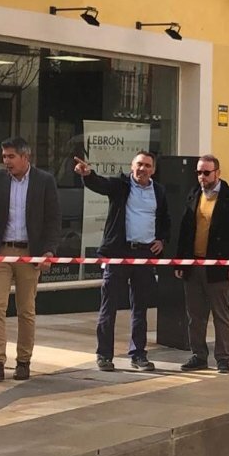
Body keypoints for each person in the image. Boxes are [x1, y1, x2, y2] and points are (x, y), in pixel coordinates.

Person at [0, 137, 60, 382]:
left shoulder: (44, 181)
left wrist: (49, 252)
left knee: (26, 309)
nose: (5, 161)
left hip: (30, 253)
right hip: (0, 252)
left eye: (10, 156)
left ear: (25, 157)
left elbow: (53, 220)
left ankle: (23, 361)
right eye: (4, 156)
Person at [73, 151, 171, 372]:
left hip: (144, 254)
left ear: (153, 170)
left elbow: (165, 218)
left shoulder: (159, 191)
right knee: (109, 306)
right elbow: (100, 185)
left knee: (140, 307)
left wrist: (162, 240)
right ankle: (104, 355)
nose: (142, 169)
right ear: (131, 166)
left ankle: (138, 355)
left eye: (147, 165)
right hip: (118, 252)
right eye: (139, 164)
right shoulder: (121, 186)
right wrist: (88, 175)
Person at [174, 154, 229, 374]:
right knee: (195, 316)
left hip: (219, 267)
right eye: (198, 172)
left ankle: (223, 358)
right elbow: (185, 231)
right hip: (194, 265)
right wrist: (180, 262)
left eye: (206, 172)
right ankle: (198, 355)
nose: (202, 176)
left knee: (220, 315)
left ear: (218, 172)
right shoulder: (194, 195)